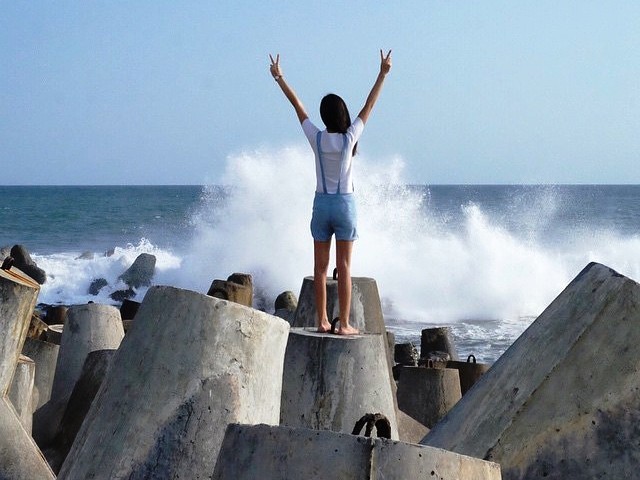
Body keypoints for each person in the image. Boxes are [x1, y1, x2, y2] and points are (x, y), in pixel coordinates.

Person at [269, 50, 392, 335]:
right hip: (345, 205)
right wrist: (383, 73)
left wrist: (280, 78)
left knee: (321, 270)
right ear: (343, 115)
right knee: (345, 267)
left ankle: (323, 321)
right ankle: (344, 324)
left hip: (321, 205)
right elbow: (369, 105)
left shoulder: (317, 138)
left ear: (324, 116)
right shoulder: (350, 138)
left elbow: (297, 107)